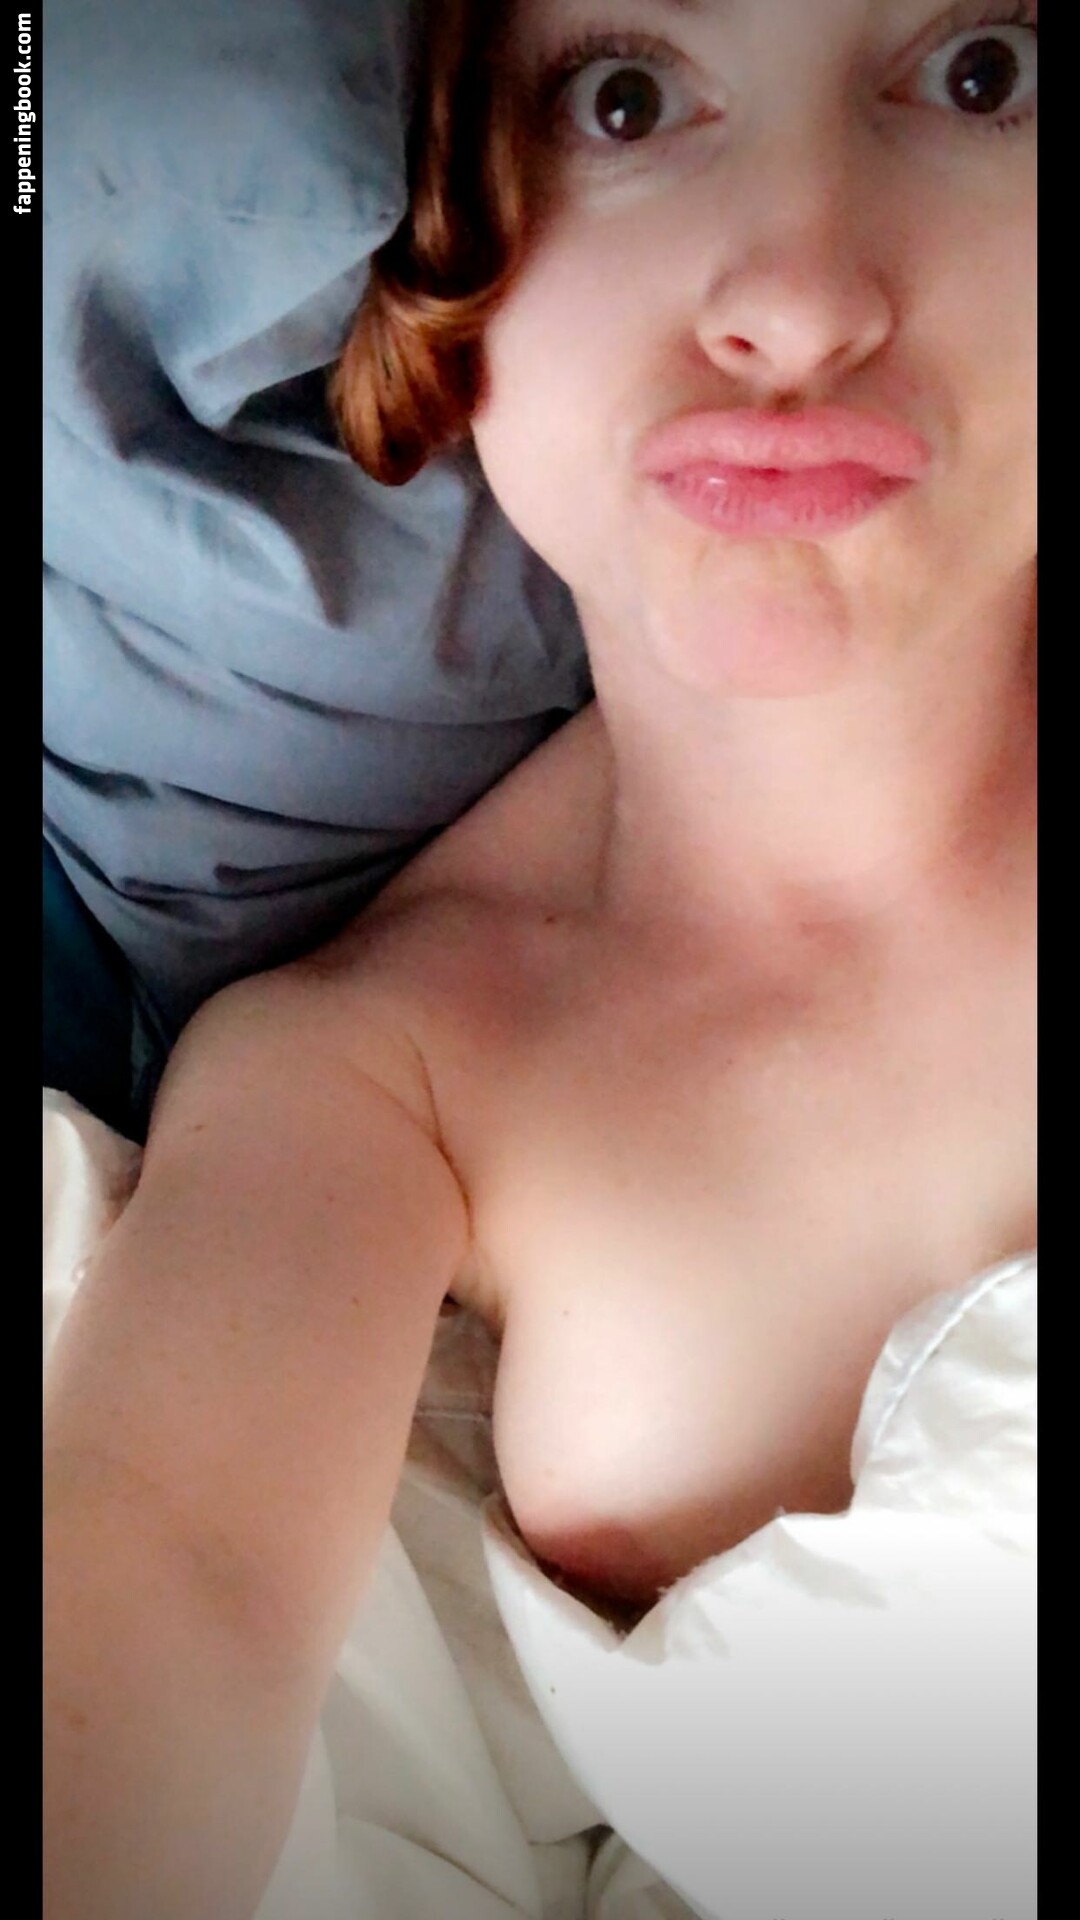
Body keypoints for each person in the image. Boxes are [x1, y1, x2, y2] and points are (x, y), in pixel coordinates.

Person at [44, 1, 1037, 1915]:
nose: (796, 297)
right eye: (627, 98)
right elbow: (170, 1582)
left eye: (982, 75)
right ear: (444, 254)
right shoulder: (381, 1073)